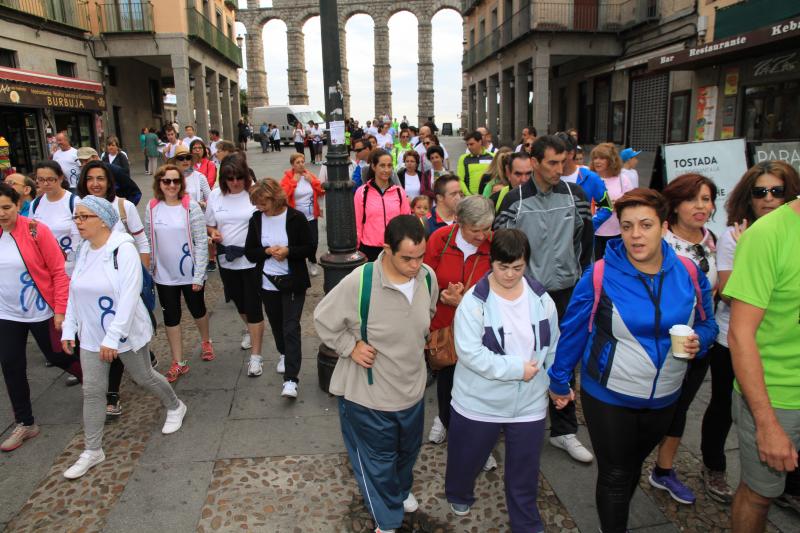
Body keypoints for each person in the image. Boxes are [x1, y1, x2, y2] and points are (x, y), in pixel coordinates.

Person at [549, 188, 717, 533]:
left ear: (664, 227)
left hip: (666, 396)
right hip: (609, 395)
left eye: (645, 225)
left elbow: (708, 322)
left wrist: (701, 342)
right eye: (627, 227)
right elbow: (574, 331)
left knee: (632, 465)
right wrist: (559, 379)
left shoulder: (688, 272)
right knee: (614, 472)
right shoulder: (599, 274)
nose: (635, 235)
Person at [313, 215, 438, 533]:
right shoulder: (361, 281)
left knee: (407, 454)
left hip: (411, 392)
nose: (415, 265)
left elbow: (428, 316)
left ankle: (399, 491)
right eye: (407, 258)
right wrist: (349, 346)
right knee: (377, 465)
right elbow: (323, 318)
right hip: (369, 399)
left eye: (420, 256)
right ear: (387, 249)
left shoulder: (427, 278)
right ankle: (387, 522)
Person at [61, 196, 187, 478]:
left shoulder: (123, 249)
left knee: (144, 377)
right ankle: (93, 449)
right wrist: (70, 328)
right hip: (92, 334)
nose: (78, 223)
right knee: (92, 391)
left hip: (124, 332)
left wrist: (113, 338)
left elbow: (129, 296)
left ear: (103, 220)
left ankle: (175, 405)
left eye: (84, 217)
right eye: (76, 218)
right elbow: (74, 292)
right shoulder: (83, 250)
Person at [701, 161, 800, 507]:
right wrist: (748, 254)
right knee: (723, 408)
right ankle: (713, 466)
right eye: (761, 192)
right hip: (732, 339)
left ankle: (789, 485)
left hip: (777, 346)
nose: (769, 199)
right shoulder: (737, 236)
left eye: (778, 191)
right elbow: (727, 291)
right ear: (749, 196)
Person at [446, 229, 557, 530]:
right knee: (466, 458)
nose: (510, 274)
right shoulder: (473, 302)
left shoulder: (542, 300)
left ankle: (526, 524)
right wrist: (516, 369)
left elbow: (552, 346)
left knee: (525, 470)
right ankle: (459, 491)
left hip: (529, 401)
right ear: (491, 262)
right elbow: (470, 353)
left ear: (526, 264)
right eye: (502, 267)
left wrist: (553, 383)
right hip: (480, 401)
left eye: (517, 267)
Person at [494, 135, 595, 463]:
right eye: (552, 162)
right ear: (534, 162)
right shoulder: (514, 200)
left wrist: (579, 279)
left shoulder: (576, 195)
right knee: (523, 358)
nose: (559, 169)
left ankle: (564, 431)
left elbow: (587, 241)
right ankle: (517, 423)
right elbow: (501, 247)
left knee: (564, 359)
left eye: (563, 162)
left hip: (567, 292)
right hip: (527, 294)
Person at [724, 187, 800, 532]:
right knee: (759, 495)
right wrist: (767, 423)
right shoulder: (768, 235)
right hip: (782, 396)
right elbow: (740, 335)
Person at [648, 172, 719, 504]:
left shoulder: (711, 240)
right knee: (654, 409)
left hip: (699, 341)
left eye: (706, 199)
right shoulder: (662, 244)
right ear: (674, 206)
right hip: (661, 343)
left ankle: (663, 470)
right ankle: (627, 464)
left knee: (681, 407)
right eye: (692, 199)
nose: (700, 206)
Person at [0, 183, 82, 452]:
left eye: (6, 207)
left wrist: (60, 309)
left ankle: (95, 380)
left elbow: (59, 271)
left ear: (18, 204)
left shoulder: (35, 230)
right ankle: (25, 422)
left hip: (41, 309)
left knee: (58, 355)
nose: (1, 213)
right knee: (11, 365)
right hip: (7, 313)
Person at [77, 159, 152, 415]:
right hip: (91, 287)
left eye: (100, 178)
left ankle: (113, 390)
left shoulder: (123, 206)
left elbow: (141, 239)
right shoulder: (78, 209)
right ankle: (109, 391)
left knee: (121, 332)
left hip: (122, 282)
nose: (95, 184)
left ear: (110, 182)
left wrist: (141, 272)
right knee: (103, 335)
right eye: (90, 179)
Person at [424, 196, 493, 447]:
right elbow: (425, 277)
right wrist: (441, 293)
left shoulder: (494, 245)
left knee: (478, 381)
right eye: (476, 230)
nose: (483, 235)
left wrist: (466, 301)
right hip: (446, 327)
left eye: (487, 228)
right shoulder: (439, 239)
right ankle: (443, 419)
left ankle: (475, 437)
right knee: (448, 377)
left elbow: (502, 285)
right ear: (459, 223)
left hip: (481, 328)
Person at [245, 179, 312, 397]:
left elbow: (310, 248)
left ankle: (291, 380)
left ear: (275, 199)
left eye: (263, 203)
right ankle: (284, 353)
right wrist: (266, 251)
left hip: (293, 281)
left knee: (291, 326)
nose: (259, 207)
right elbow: (250, 252)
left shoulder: (295, 217)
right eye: (256, 203)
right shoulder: (256, 220)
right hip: (267, 282)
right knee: (276, 324)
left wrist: (288, 251)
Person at [145, 164, 211, 383]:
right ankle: (179, 361)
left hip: (190, 273)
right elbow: (147, 238)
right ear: (159, 183)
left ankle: (205, 340)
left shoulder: (190, 206)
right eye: (166, 181)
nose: (171, 185)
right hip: (164, 275)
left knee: (197, 309)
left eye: (175, 181)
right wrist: (150, 269)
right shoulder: (152, 207)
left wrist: (199, 274)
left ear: (181, 184)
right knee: (171, 317)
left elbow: (201, 241)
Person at [206, 154, 266, 373]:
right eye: (230, 178)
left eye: (239, 177)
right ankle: (250, 329)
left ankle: (256, 357)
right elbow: (210, 225)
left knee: (253, 305)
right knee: (240, 304)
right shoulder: (215, 196)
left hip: (251, 260)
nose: (235, 182)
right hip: (227, 259)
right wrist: (214, 234)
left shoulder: (254, 193)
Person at [354, 149, 411, 261]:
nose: (386, 170)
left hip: (394, 247)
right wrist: (357, 248)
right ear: (374, 167)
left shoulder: (399, 192)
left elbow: (406, 222)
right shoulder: (362, 192)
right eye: (382, 166)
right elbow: (357, 224)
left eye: (389, 166)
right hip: (369, 249)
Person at [555, 132, 612, 232]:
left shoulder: (591, 178)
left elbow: (607, 207)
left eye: (558, 152)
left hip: (582, 243)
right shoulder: (549, 176)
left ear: (571, 153)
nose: (554, 157)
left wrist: (588, 226)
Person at [281, 153, 325, 277]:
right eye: (297, 162)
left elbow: (321, 191)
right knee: (296, 243)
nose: (301, 164)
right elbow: (283, 196)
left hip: (311, 216)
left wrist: (313, 182)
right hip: (295, 217)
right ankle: (297, 265)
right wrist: (293, 182)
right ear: (292, 165)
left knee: (313, 242)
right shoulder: (287, 178)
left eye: (302, 161)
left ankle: (312, 261)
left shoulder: (309, 175)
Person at [30, 161, 80, 268]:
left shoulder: (75, 202)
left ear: (61, 178)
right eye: (41, 180)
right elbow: (31, 234)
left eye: (50, 179)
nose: (46, 184)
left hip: (69, 264)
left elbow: (79, 237)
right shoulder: (35, 204)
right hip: (45, 263)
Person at [591, 143, 633, 259]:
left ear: (612, 160)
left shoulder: (622, 179)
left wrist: (618, 204)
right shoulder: (590, 178)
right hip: (594, 233)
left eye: (602, 158)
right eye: (595, 158)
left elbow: (632, 202)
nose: (597, 161)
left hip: (617, 232)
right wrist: (607, 205)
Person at [78, 146, 142, 206]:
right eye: (81, 162)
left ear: (95, 157)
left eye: (86, 161)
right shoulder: (83, 174)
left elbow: (136, 193)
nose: (83, 164)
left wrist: (125, 208)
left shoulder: (115, 170)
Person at [457, 131, 494, 196]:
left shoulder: (492, 157)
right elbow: (460, 179)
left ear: (480, 142)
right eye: (467, 145)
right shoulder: (463, 158)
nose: (469, 147)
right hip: (470, 198)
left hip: (488, 197)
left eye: (471, 144)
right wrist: (468, 195)